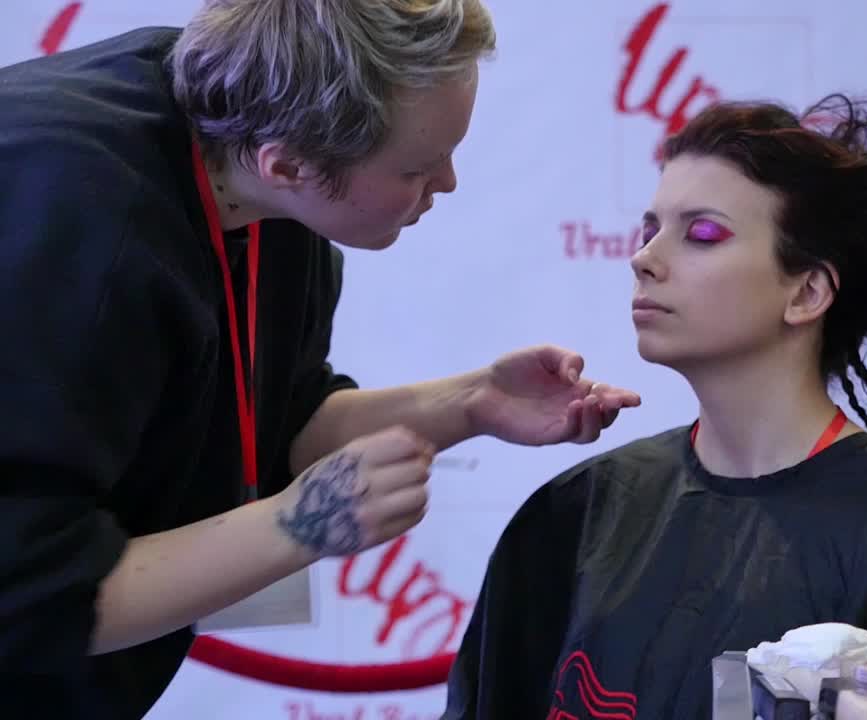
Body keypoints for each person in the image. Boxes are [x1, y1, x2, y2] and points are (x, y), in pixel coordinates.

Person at [0, 1, 640, 718]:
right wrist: (295, 526)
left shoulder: (249, 149)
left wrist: (472, 402)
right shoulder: (77, 236)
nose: (447, 184)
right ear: (290, 163)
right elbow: (29, 592)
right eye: (419, 167)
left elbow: (286, 419)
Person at [443, 94, 867, 719]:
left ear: (807, 291)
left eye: (703, 234)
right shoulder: (578, 514)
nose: (644, 259)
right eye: (649, 230)